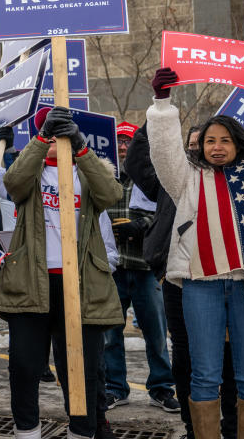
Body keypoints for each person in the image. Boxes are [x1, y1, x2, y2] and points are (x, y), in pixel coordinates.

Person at [146, 68, 244, 439]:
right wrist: (162, 104)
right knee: (205, 373)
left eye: (225, 140)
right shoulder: (185, 179)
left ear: (239, 144)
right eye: (209, 140)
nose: (216, 146)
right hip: (200, 287)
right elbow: (164, 151)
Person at [0, 106, 123, 439]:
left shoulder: (87, 175)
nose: (55, 142)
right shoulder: (31, 173)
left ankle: (81, 431)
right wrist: (40, 137)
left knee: (81, 371)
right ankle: (28, 432)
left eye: (61, 136)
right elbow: (13, 183)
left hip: (81, 284)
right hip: (32, 283)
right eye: (50, 136)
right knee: (23, 366)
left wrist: (80, 146)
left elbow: (111, 193)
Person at [127, 124, 241, 439]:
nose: (195, 150)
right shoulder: (171, 178)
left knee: (233, 360)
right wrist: (154, 121)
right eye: (190, 145)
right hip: (178, 279)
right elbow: (137, 163)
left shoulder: (239, 179)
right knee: (186, 356)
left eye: (200, 144)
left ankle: (234, 428)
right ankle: (196, 428)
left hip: (229, 282)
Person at [103, 121, 178, 413]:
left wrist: (140, 227)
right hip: (112, 267)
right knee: (110, 332)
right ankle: (115, 387)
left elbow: (163, 215)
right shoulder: (104, 175)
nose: (123, 147)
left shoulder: (149, 176)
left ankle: (161, 388)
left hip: (146, 266)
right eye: (119, 141)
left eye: (127, 142)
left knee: (156, 332)